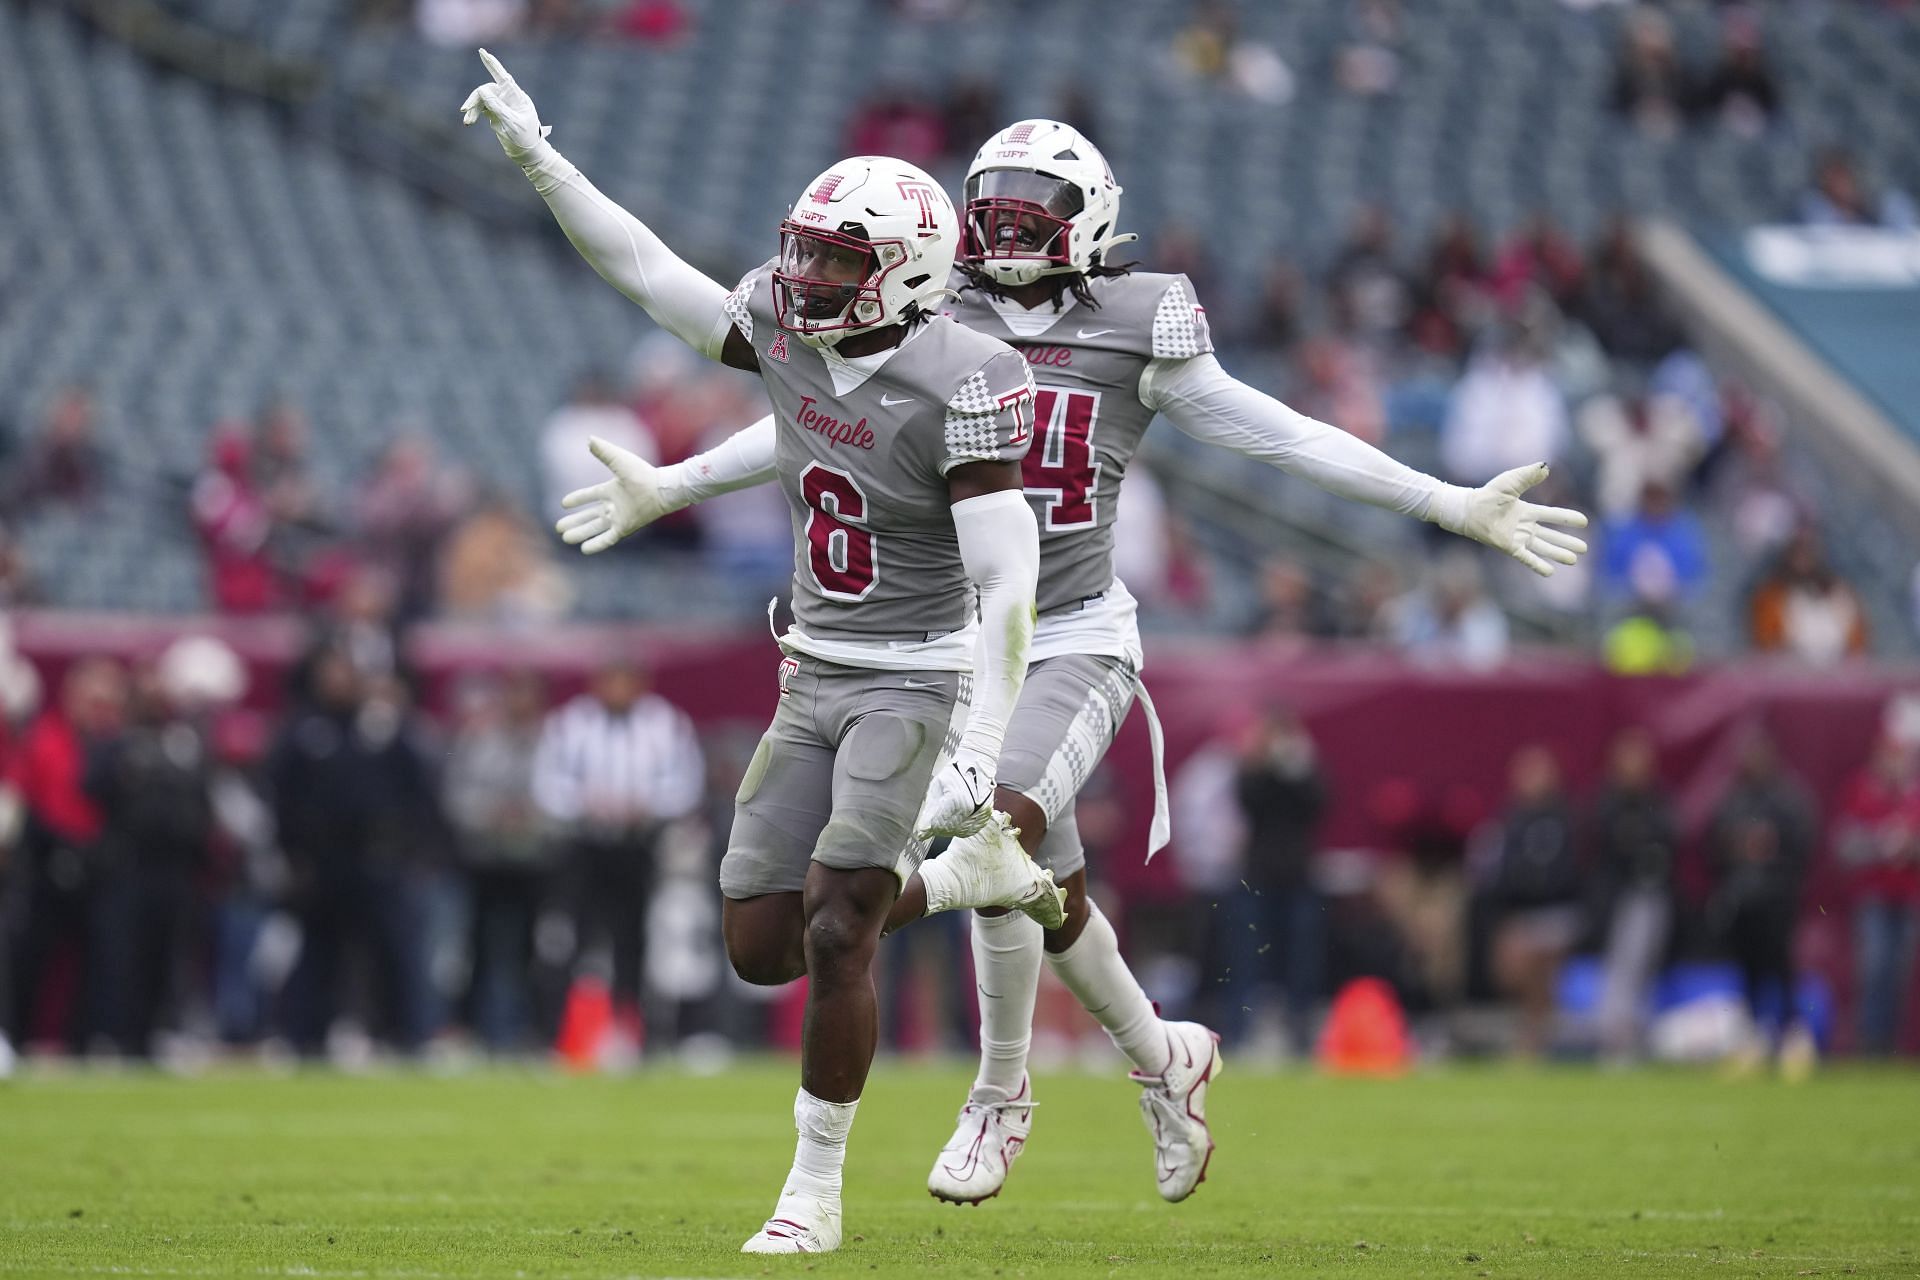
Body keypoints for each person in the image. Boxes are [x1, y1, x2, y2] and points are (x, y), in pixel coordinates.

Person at [558, 117, 1590, 1208]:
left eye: (1027, 213)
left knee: (989, 833)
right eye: (989, 207)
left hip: (1074, 630)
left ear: (1088, 225)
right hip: (953, 637)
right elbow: (812, 424)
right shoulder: (919, 307)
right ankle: (1163, 1056)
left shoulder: (1137, 320)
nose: (1002, 231)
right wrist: (677, 481)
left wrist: (1444, 501)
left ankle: (1002, 1088)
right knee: (1050, 892)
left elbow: (1279, 432)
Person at [464, 53, 1051, 1254]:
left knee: (839, 925)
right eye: (810, 250)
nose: (809, 275)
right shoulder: (789, 323)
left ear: (910, 274)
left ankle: (813, 1190)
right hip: (814, 662)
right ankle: (953, 882)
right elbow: (648, 273)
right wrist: (540, 156)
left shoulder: (970, 376)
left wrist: (983, 741)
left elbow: (1007, 575)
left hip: (920, 667)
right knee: (760, 945)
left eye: (842, 260)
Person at [531, 657, 703, 1049]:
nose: (617, 690)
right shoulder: (571, 723)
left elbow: (685, 784)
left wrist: (646, 805)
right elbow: (547, 783)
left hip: (637, 845)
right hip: (582, 845)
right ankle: (560, 1033)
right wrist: (584, 803)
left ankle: (631, 1031)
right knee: (570, 937)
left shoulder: (665, 724)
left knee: (634, 939)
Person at [1708, 733, 1816, 1067]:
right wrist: (1736, 845)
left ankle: (1792, 1036)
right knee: (1748, 971)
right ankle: (1753, 1038)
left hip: (1776, 900)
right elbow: (1712, 845)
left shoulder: (1786, 799)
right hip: (1743, 903)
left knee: (1781, 970)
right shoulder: (1735, 798)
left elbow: (1804, 843)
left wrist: (1773, 848)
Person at [1480, 746, 1581, 1058]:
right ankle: (1532, 1036)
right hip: (1522, 913)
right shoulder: (1511, 820)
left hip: (1555, 912)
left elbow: (1572, 867)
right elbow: (1499, 869)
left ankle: (1539, 1041)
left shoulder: (1565, 818)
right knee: (1514, 977)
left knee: (1545, 981)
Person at [1590, 728, 1678, 1061]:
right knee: (1619, 967)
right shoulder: (1609, 802)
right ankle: (1615, 1040)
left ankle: (1634, 1036)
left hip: (1650, 895)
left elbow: (1667, 839)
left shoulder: (1656, 801)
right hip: (1618, 898)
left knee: (1643, 967)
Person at [1832, 725, 1920, 1056]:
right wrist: (1880, 843)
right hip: (1874, 896)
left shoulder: (1914, 795)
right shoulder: (1862, 790)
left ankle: (1892, 1042)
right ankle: (1869, 1041)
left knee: (1900, 972)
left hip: (1909, 894)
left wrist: (1910, 847)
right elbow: (1843, 845)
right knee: (1874, 967)